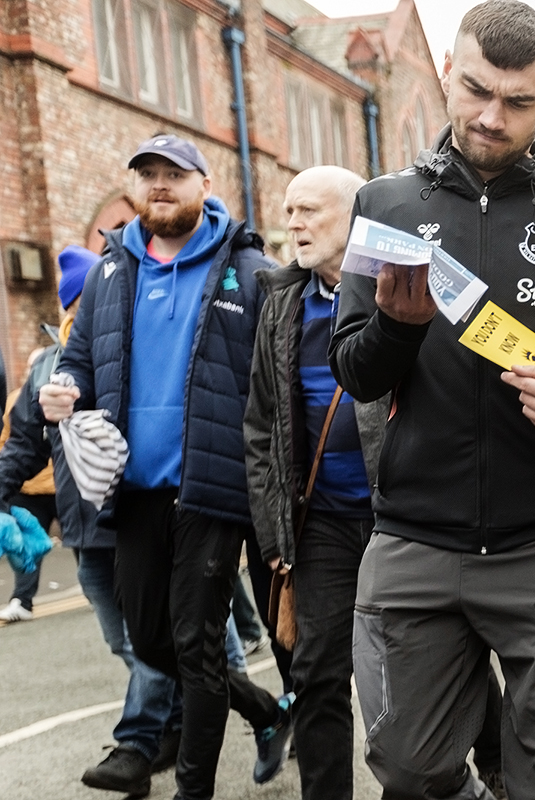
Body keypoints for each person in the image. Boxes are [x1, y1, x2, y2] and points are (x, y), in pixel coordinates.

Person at [329, 3, 535, 797]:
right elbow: (354, 371)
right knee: (409, 769)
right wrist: (400, 330)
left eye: (518, 102)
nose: (490, 117)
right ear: (447, 70)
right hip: (414, 539)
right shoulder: (385, 203)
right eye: (475, 90)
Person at [38, 134, 292, 800]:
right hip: (134, 490)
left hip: (211, 488)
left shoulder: (249, 269)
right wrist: (61, 386)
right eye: (147, 173)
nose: (159, 184)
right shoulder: (111, 271)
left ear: (203, 184)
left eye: (174, 174)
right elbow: (81, 361)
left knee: (195, 638)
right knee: (152, 640)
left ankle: (192, 790)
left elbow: (280, 383)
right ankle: (264, 711)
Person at [0, 244, 184, 793]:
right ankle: (218, 714)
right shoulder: (48, 369)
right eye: (71, 306)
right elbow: (27, 444)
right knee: (128, 643)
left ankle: (139, 744)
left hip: (141, 519)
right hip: (82, 530)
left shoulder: (134, 349)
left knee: (165, 638)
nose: (78, 314)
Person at [244, 165, 388, 800]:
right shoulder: (282, 301)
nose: (293, 223)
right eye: (288, 211)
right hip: (322, 520)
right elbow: (260, 424)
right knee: (318, 673)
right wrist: (273, 528)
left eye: (308, 211)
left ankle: (476, 770)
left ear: (354, 216)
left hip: (401, 517)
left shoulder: (400, 286)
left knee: (427, 667)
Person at [0, 355, 57, 624]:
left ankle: (100, 591)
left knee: (89, 557)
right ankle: (22, 600)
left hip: (56, 485)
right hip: (31, 487)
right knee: (25, 550)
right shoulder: (16, 400)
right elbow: (12, 444)